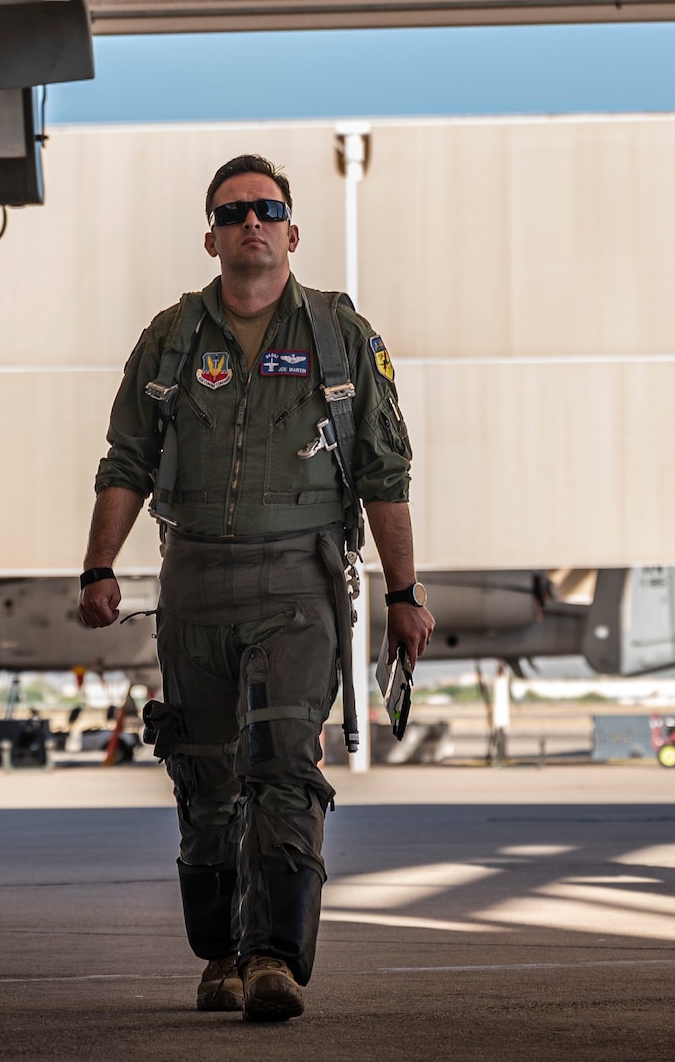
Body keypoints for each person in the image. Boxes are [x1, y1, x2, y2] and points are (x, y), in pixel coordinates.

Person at [77, 153, 435, 1022]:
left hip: (298, 584)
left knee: (282, 765)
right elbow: (126, 460)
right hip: (193, 580)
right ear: (211, 235)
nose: (252, 224)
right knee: (204, 776)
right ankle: (221, 956)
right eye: (234, 212)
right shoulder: (169, 339)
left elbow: (387, 471)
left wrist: (403, 593)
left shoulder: (342, 338)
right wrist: (98, 567)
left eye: (267, 210)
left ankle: (275, 957)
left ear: (292, 231)